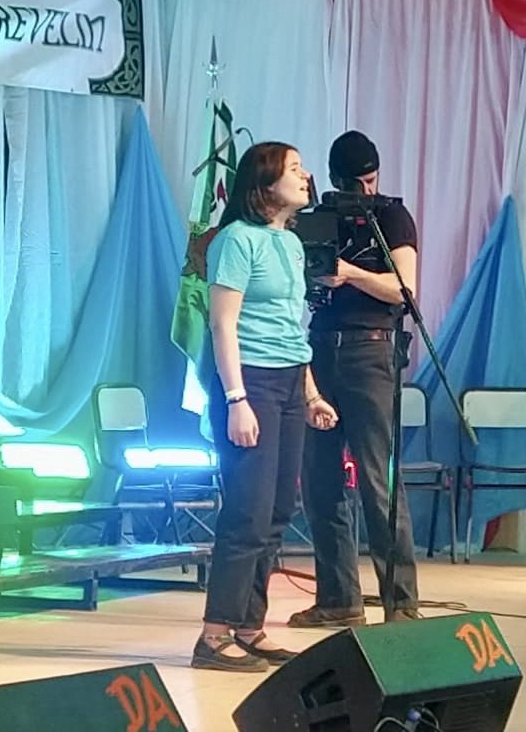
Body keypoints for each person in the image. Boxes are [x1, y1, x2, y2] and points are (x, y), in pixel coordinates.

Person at [192, 142, 339, 672]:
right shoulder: (236, 239)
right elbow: (222, 323)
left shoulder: (292, 244)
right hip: (249, 381)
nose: (305, 175)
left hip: (288, 381)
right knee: (248, 512)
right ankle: (213, 635)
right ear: (265, 183)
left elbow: (291, 330)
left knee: (278, 510)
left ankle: (250, 626)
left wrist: (312, 393)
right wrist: (236, 399)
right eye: (294, 169)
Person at [290, 130, 422, 628]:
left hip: (372, 349)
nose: (365, 190)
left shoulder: (391, 216)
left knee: (377, 480)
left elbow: (404, 289)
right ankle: (339, 598)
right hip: (320, 347)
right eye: (355, 183)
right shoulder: (315, 217)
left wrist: (349, 273)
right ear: (335, 179)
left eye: (371, 180)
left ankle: (400, 602)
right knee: (320, 481)